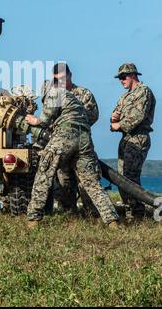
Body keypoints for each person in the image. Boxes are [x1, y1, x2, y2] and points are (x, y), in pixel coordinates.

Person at [25, 64, 119, 228]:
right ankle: (112, 221)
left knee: (44, 173)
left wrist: (34, 120)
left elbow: (45, 120)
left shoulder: (55, 93)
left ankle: (33, 219)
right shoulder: (74, 99)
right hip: (84, 139)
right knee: (92, 183)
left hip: (64, 136)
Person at [46, 63, 99, 213]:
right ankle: (68, 214)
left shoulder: (83, 93)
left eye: (63, 77)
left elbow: (93, 116)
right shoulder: (54, 95)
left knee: (86, 182)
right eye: (57, 79)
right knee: (63, 181)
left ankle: (92, 214)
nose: (61, 81)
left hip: (80, 143)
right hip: (60, 144)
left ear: (70, 75)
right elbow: (48, 118)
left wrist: (71, 124)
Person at [111, 63, 156, 220]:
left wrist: (118, 124)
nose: (121, 81)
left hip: (138, 138)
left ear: (133, 75)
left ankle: (138, 215)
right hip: (126, 139)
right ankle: (130, 212)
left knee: (130, 177)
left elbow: (136, 118)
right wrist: (114, 120)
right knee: (122, 178)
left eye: (123, 77)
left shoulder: (143, 92)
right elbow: (113, 117)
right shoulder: (124, 97)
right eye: (120, 78)